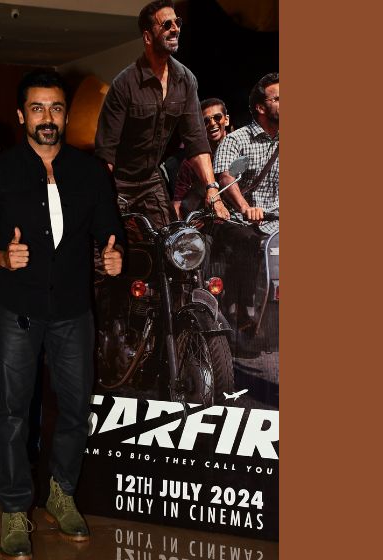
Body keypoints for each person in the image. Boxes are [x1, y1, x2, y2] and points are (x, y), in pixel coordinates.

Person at [0, 69, 124, 560]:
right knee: (13, 414)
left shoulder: (90, 172)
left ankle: (61, 493)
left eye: (55, 108)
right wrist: (0, 257)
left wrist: (114, 256)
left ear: (65, 114)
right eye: (37, 108)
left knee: (76, 408)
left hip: (73, 311)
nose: (47, 118)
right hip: (18, 310)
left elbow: (110, 231)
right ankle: (15, 508)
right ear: (22, 115)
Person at [94, 0, 229, 231]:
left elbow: (196, 140)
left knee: (172, 241)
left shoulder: (185, 80)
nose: (175, 28)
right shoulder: (125, 84)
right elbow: (106, 151)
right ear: (148, 37)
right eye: (166, 25)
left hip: (150, 178)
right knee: (109, 243)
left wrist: (212, 191)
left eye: (177, 22)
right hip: (118, 181)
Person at [213, 72, 279, 326]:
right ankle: (242, 310)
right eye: (278, 99)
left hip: (277, 220)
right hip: (242, 221)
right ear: (261, 108)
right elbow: (225, 176)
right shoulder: (237, 140)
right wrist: (245, 207)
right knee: (247, 242)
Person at [172, 97, 230, 217]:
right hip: (206, 220)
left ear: (226, 120)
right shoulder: (190, 163)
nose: (212, 123)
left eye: (217, 117)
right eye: (206, 121)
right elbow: (178, 202)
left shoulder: (242, 149)